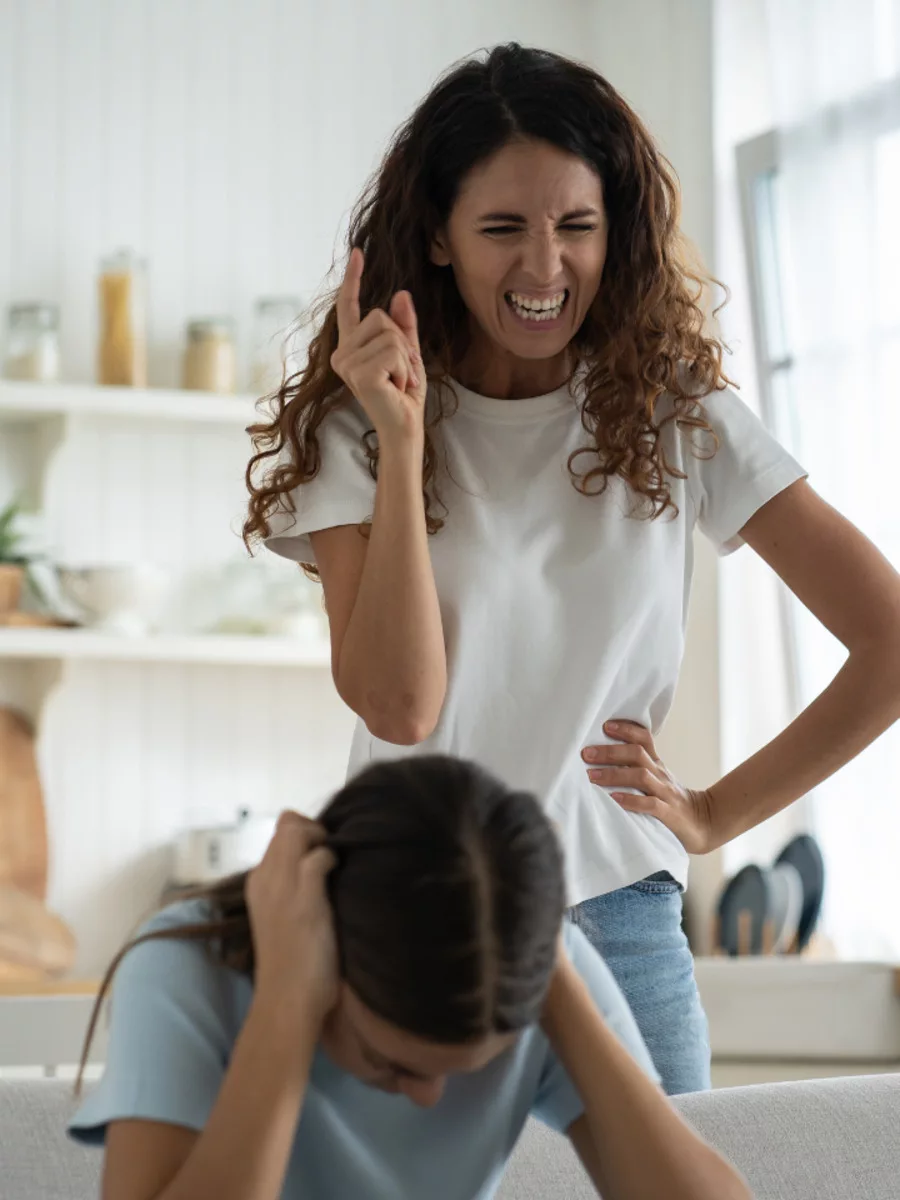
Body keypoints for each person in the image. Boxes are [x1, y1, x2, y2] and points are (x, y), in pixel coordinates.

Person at [244, 43, 900, 1096]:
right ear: (441, 240)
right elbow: (400, 706)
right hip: (414, 920)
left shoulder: (675, 412)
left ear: (617, 231)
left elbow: (890, 641)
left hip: (621, 926)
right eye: (503, 228)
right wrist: (406, 443)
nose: (545, 268)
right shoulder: (357, 429)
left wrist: (715, 814)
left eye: (577, 227)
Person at [69, 755, 750, 1200]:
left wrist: (558, 979)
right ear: (328, 945)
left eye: (467, 1069)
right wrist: (286, 1001)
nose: (427, 1099)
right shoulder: (188, 966)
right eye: (390, 1063)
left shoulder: (521, 973)